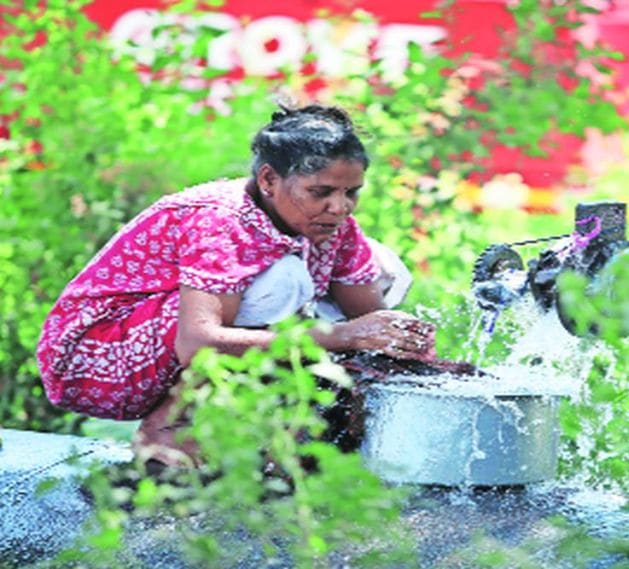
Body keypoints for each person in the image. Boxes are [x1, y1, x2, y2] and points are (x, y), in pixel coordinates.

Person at [36, 104, 434, 468]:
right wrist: (346, 336)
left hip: (170, 345)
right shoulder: (222, 221)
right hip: (96, 356)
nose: (340, 207)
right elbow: (198, 343)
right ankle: (168, 434)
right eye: (321, 192)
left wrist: (408, 349)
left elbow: (370, 321)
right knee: (283, 283)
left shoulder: (333, 225)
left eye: (351, 192)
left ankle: (274, 439)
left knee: (383, 271)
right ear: (268, 179)